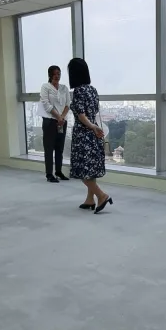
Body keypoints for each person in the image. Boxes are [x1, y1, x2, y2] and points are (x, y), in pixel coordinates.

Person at [67, 57, 113, 213]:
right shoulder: (93, 90)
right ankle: (89, 200)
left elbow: (81, 115)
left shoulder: (78, 91)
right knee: (90, 169)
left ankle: (101, 196)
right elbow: (94, 111)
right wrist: (94, 127)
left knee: (82, 170)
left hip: (83, 134)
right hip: (94, 134)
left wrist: (91, 126)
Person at [39, 65, 70, 183]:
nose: (57, 76)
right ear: (50, 75)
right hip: (50, 121)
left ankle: (58, 171)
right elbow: (46, 104)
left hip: (62, 121)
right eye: (55, 74)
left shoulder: (64, 88)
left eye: (59, 73)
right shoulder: (45, 87)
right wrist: (58, 117)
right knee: (49, 148)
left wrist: (62, 118)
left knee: (59, 148)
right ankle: (49, 174)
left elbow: (67, 104)